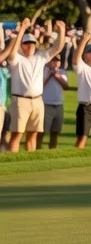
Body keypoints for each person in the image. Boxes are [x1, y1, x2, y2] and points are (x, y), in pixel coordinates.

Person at [6, 19, 67, 152]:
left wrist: (62, 31)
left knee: (33, 134)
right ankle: (14, 163)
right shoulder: (17, 59)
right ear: (22, 45)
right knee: (16, 135)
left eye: (32, 44)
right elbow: (11, 53)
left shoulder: (40, 57)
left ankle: (30, 161)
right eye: (27, 44)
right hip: (20, 100)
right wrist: (22, 30)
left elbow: (58, 48)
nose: (30, 46)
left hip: (38, 100)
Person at [41, 51, 69, 149]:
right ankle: (36, 152)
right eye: (54, 60)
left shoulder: (62, 72)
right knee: (42, 132)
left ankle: (52, 152)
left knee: (55, 132)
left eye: (58, 61)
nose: (56, 63)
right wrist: (50, 75)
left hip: (58, 105)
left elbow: (66, 86)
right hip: (46, 104)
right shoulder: (43, 71)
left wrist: (57, 76)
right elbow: (40, 86)